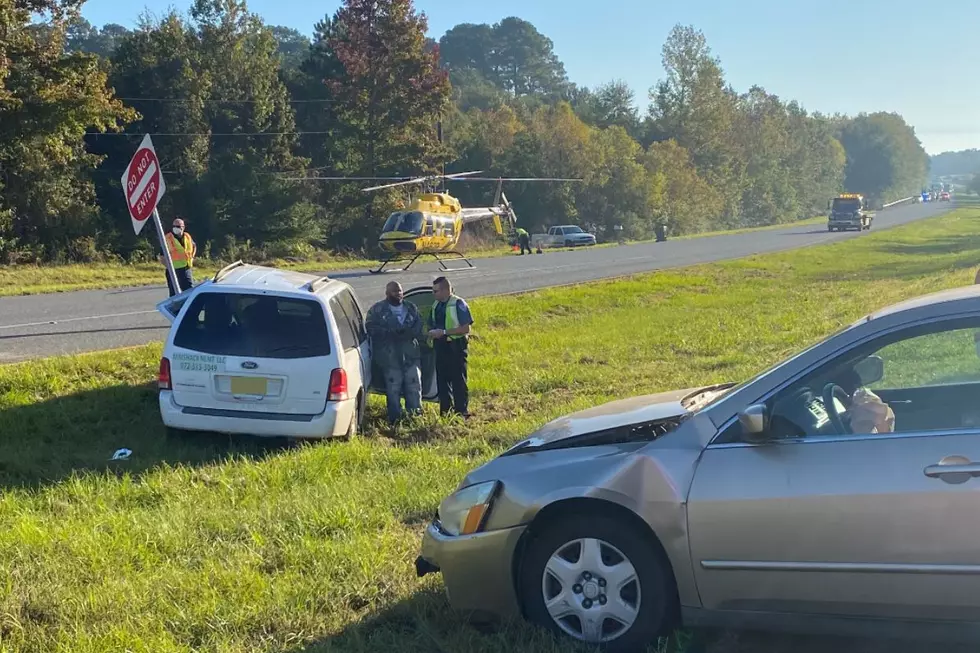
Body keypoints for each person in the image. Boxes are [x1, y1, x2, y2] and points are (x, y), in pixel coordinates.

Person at [366, 281, 425, 425]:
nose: (398, 294)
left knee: (414, 386)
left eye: (400, 291)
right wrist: (389, 333)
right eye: (394, 291)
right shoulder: (378, 309)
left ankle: (415, 417)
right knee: (393, 389)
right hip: (390, 357)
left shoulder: (411, 308)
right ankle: (395, 420)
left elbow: (419, 326)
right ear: (387, 293)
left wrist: (408, 333)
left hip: (410, 354)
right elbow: (370, 327)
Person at [427, 276, 474, 418]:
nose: (433, 294)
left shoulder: (458, 304)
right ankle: (445, 413)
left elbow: (466, 328)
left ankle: (461, 412)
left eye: (436, 291)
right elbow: (431, 322)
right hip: (440, 346)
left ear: (445, 290)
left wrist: (445, 332)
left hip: (455, 346)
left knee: (458, 381)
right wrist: (432, 332)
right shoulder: (435, 305)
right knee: (442, 380)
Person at [162, 217, 196, 296]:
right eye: (174, 226)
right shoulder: (168, 238)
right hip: (173, 271)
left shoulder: (187, 236)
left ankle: (188, 308)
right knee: (174, 294)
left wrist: (192, 257)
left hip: (186, 269)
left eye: (178, 226)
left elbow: (194, 246)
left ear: (183, 227)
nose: (175, 228)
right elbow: (162, 257)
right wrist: (169, 268)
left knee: (189, 292)